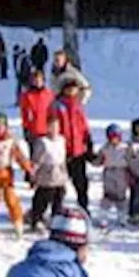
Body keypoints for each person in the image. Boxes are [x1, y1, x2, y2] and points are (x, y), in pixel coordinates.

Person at [0, 111, 33, 237]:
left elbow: (19, 156)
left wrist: (28, 168)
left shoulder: (10, 141)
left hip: (6, 172)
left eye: (2, 126)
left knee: (10, 197)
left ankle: (17, 220)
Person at [53, 78, 92, 212]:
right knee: (59, 184)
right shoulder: (58, 106)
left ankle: (83, 207)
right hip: (63, 151)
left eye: (74, 89)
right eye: (69, 89)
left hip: (78, 151)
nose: (71, 91)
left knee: (81, 183)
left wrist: (88, 141)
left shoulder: (78, 106)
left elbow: (83, 126)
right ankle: (56, 209)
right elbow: (53, 125)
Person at [28, 114, 69, 230]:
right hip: (46, 173)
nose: (54, 129)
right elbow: (36, 160)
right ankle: (37, 218)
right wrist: (33, 173)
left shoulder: (61, 140)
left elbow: (63, 157)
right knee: (43, 197)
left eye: (56, 126)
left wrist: (65, 173)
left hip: (59, 172)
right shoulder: (43, 142)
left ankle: (55, 218)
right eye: (51, 126)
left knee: (59, 197)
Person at [94, 124, 132, 223]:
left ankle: (122, 216)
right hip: (109, 172)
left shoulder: (124, 148)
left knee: (121, 196)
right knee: (108, 195)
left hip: (121, 172)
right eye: (112, 137)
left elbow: (131, 159)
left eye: (116, 137)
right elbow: (98, 160)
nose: (114, 140)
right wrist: (93, 159)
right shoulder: (105, 148)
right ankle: (103, 215)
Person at [19, 69, 55, 154]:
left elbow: (53, 111)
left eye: (39, 80)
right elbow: (24, 113)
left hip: (47, 129)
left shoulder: (49, 94)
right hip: (33, 130)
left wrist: (53, 126)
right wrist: (26, 128)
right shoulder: (27, 95)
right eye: (35, 81)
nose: (37, 83)